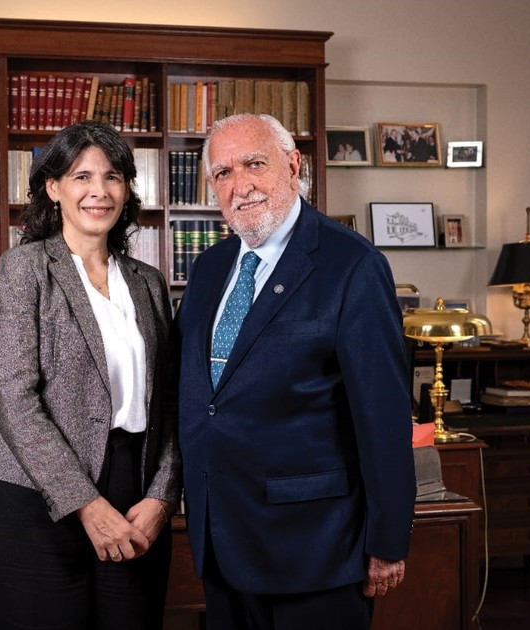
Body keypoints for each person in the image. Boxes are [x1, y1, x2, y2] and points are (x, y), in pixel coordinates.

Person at [171, 113, 416, 629]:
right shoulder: (210, 268)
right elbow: (202, 397)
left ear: (293, 165)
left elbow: (383, 417)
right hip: (222, 540)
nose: (241, 185)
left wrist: (388, 539)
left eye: (254, 164)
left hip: (316, 547)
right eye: (223, 173)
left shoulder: (352, 265)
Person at [0, 119, 180, 630]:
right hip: (35, 497)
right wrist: (85, 503)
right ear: (53, 188)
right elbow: (15, 402)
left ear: (126, 189)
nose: (99, 191)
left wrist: (162, 496)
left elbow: (171, 401)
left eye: (113, 176)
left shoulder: (148, 283)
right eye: (82, 176)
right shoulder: (24, 270)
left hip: (134, 491)